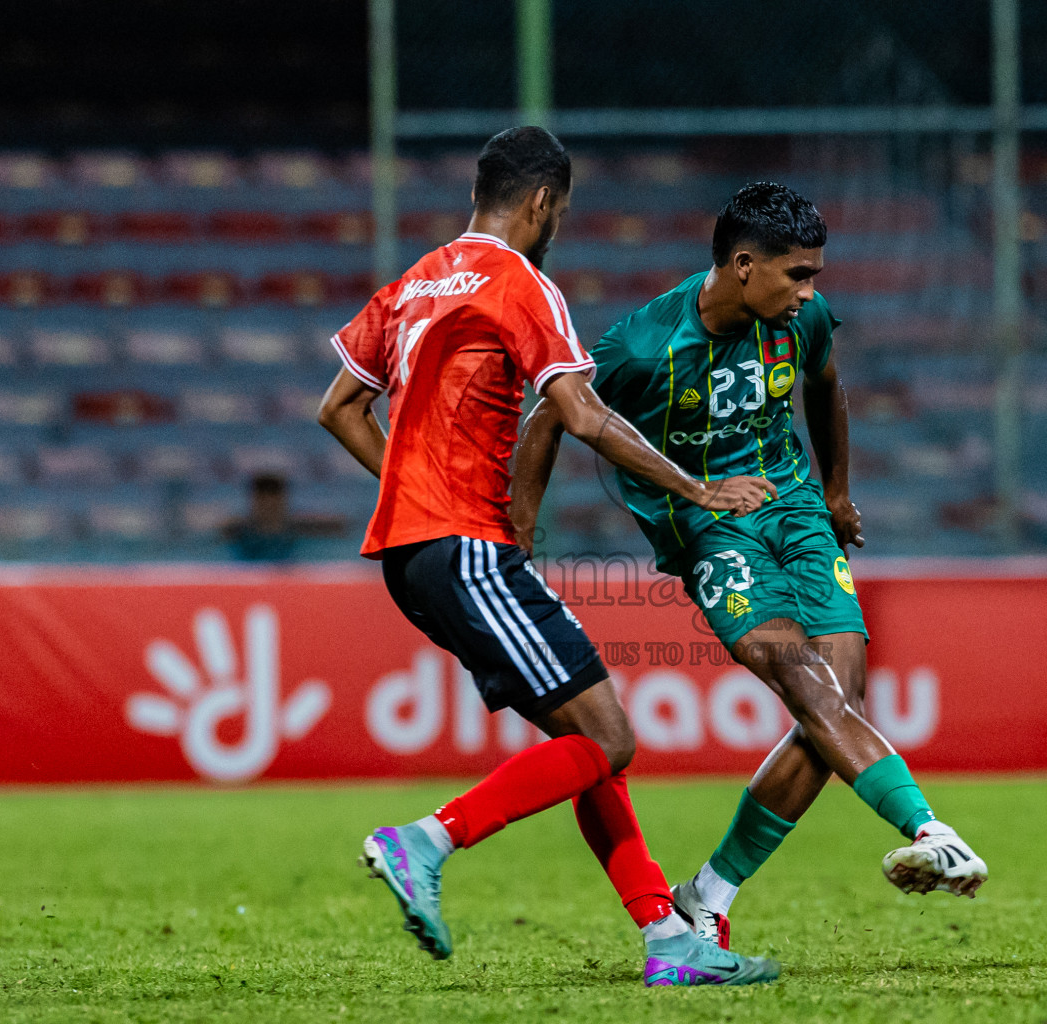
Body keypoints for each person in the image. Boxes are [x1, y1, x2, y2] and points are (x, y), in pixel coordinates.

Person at [317, 126, 780, 987]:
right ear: (542, 203)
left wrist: (411, 490)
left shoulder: (414, 282)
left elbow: (340, 406)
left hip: (414, 555)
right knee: (609, 736)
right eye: (559, 212)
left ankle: (666, 937)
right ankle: (425, 840)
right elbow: (583, 412)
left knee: (584, 735)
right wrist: (696, 488)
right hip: (465, 548)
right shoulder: (521, 284)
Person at [512, 182, 988, 950]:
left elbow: (825, 385)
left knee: (841, 701)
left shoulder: (803, 321)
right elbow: (551, 413)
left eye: (814, 275)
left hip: (795, 510)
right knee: (807, 684)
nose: (809, 292)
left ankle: (707, 895)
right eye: (797, 275)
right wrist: (519, 531)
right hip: (711, 529)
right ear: (742, 266)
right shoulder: (643, 346)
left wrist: (836, 492)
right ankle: (930, 830)